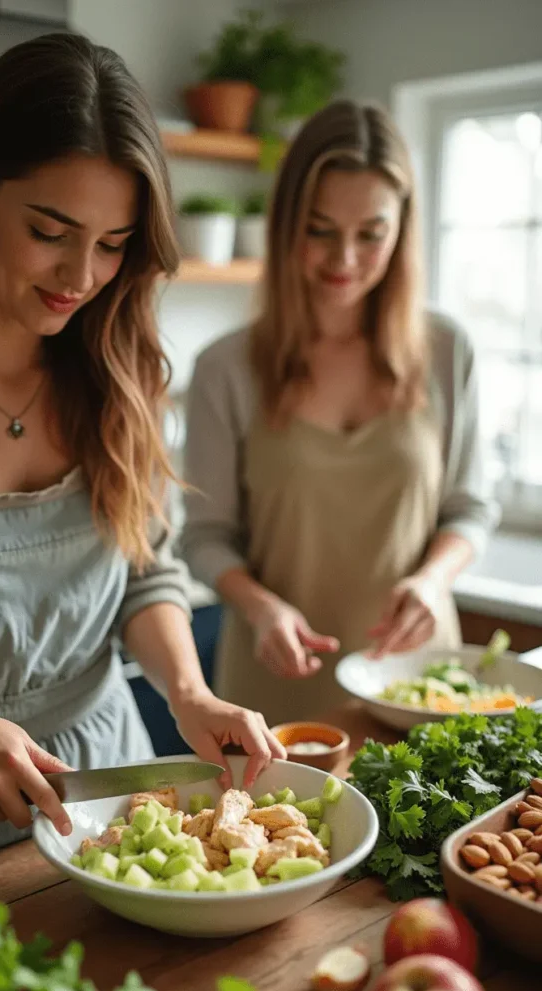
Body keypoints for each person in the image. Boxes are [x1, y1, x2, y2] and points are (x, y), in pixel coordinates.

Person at [0, 32, 284, 880]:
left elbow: (144, 571)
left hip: (110, 823)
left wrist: (187, 693)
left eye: (114, 241)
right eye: (50, 230)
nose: (81, 275)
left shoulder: (113, 372)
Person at [182, 100, 498, 725]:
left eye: (370, 234)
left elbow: (469, 509)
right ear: (286, 224)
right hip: (273, 692)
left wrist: (434, 580)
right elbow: (204, 537)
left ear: (401, 228)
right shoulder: (226, 368)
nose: (344, 259)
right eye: (320, 229)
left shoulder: (445, 350)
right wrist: (260, 606)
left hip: (416, 686)